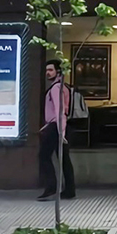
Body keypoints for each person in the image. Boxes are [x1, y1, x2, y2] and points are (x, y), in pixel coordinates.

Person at [37, 59, 76, 201]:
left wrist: (61, 131)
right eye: (46, 70)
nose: (47, 73)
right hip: (58, 126)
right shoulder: (63, 87)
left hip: (56, 127)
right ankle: (69, 190)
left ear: (58, 71)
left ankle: (51, 186)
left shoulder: (56, 88)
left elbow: (59, 111)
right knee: (64, 159)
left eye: (50, 70)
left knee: (44, 156)